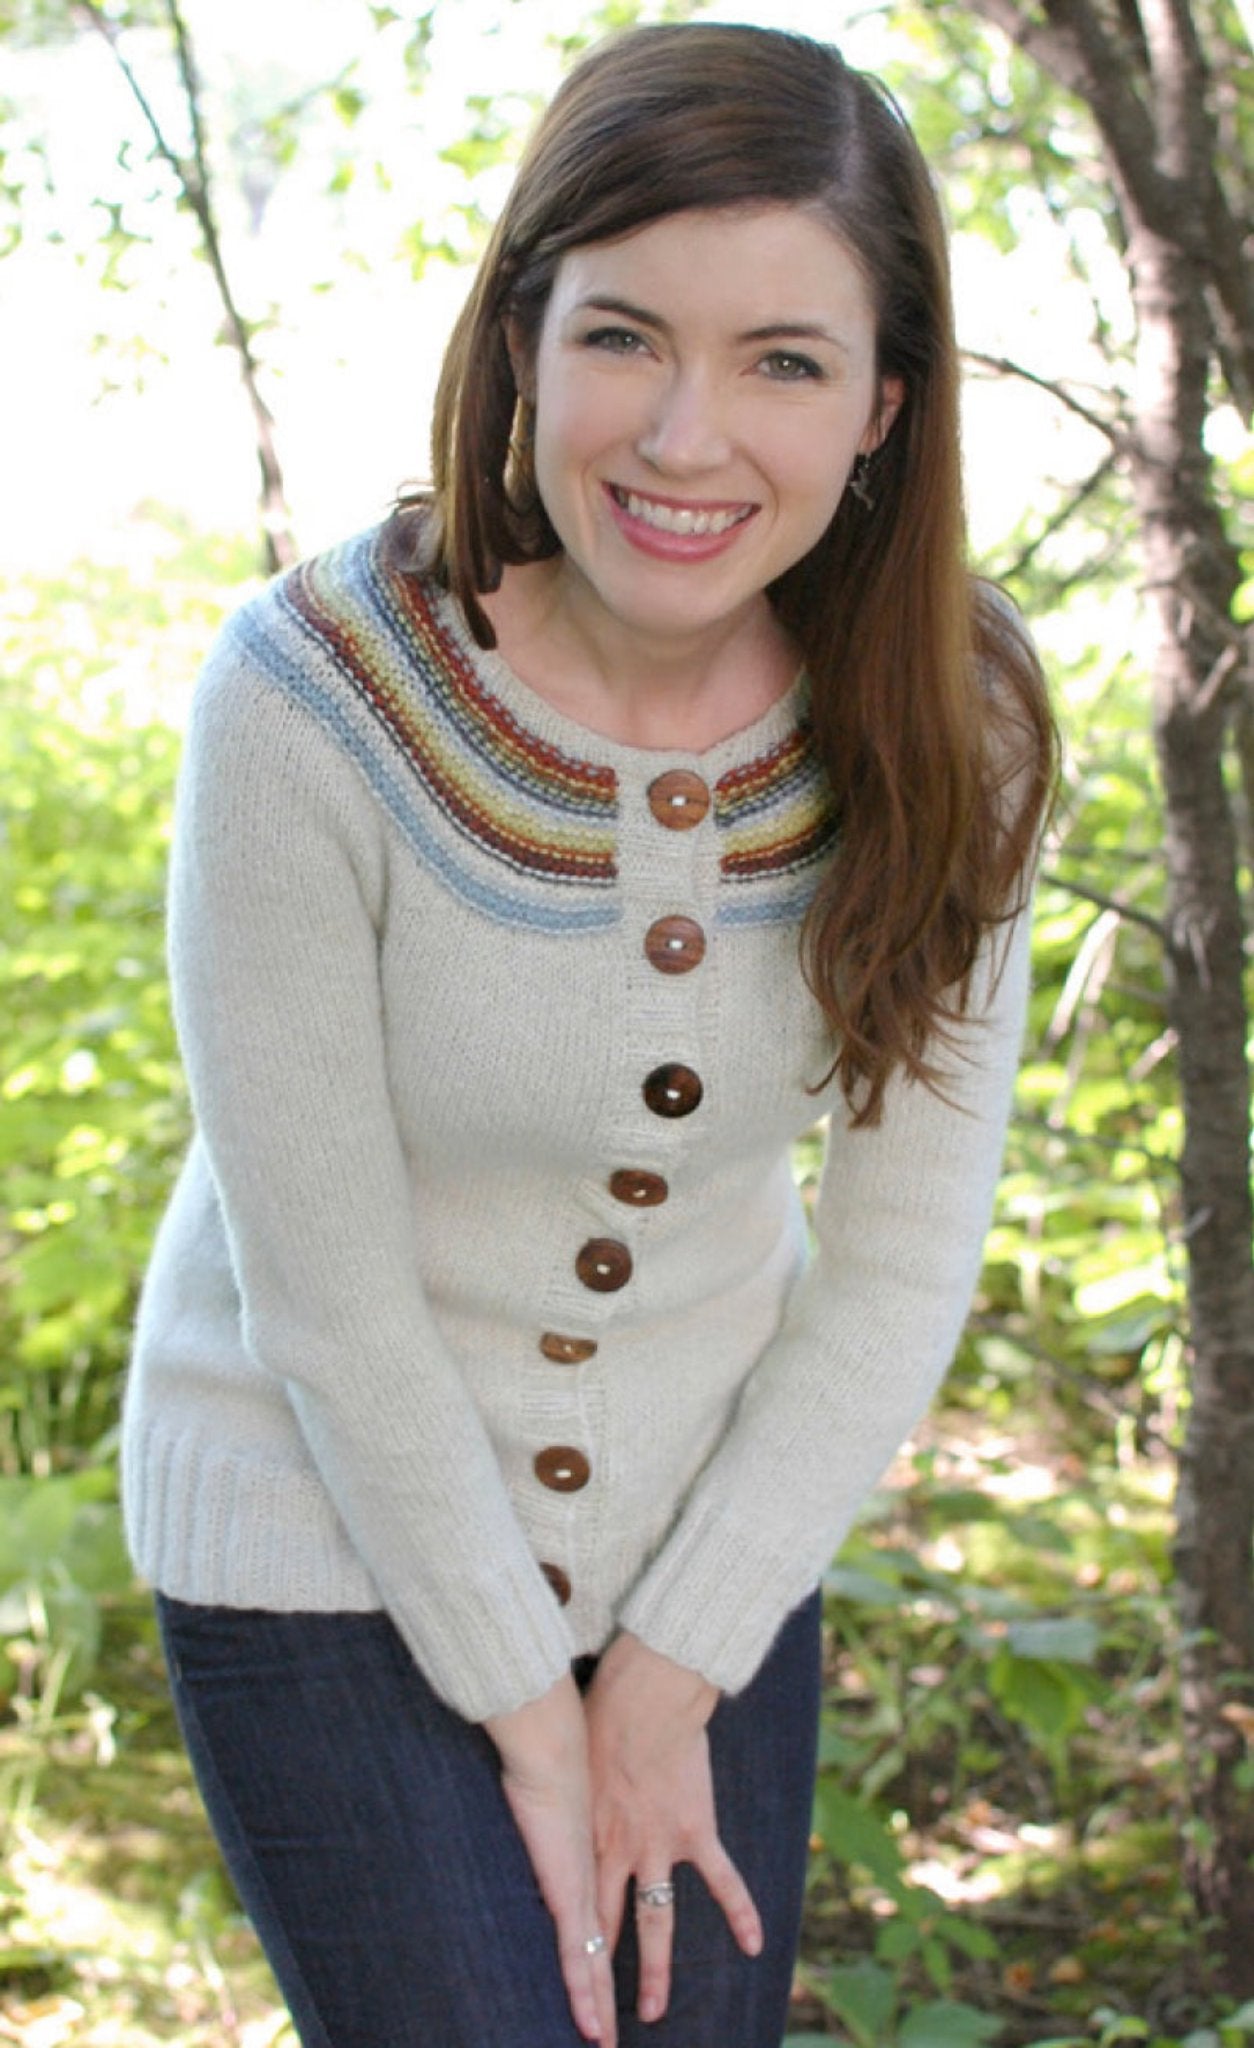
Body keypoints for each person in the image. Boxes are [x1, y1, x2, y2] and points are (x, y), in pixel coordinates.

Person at [122, 21, 1055, 2048]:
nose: (687, 436)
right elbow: (332, 1300)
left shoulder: (950, 719)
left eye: (784, 362)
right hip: (317, 1522)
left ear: (885, 402)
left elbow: (901, 1255)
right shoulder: (307, 704)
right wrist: (537, 1724)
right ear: (524, 336)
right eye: (624, 335)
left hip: (704, 1538)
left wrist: (671, 1664)